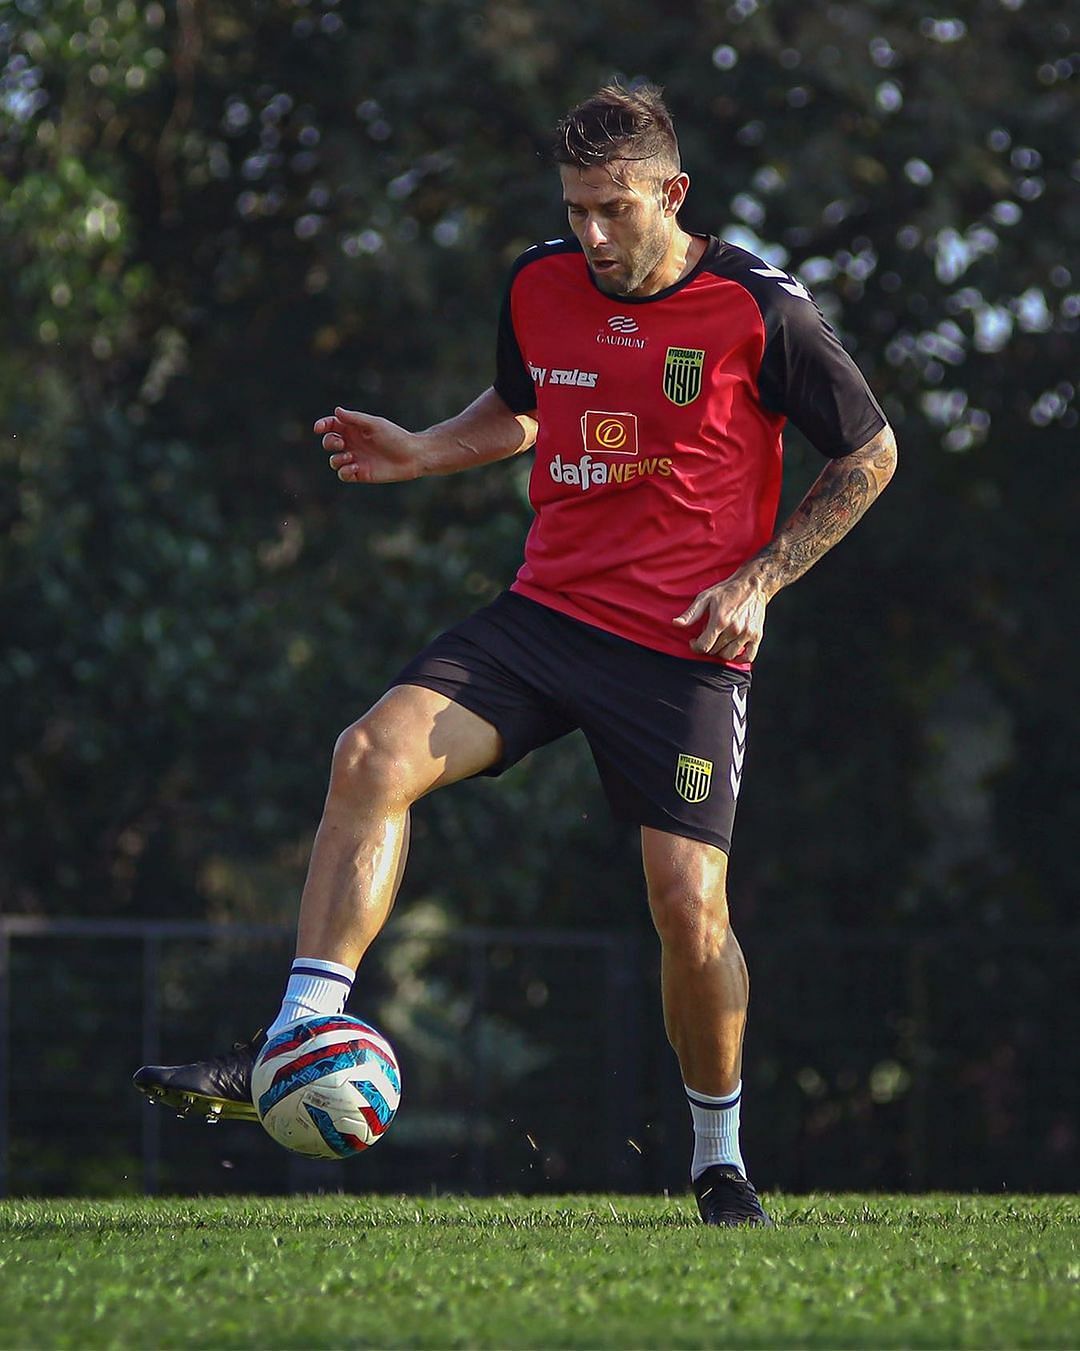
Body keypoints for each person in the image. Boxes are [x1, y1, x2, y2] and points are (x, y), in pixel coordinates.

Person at [134, 81, 897, 1226]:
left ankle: (719, 1156)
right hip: (544, 619)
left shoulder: (759, 308)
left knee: (689, 908)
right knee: (368, 754)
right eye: (576, 207)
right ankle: (297, 1032)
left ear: (672, 195)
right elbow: (525, 403)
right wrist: (420, 452)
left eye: (615, 208)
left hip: (683, 653)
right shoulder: (540, 281)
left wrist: (760, 579)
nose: (592, 233)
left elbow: (871, 454)